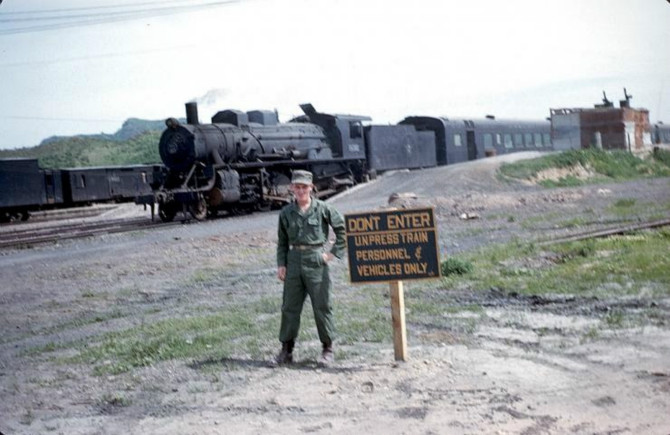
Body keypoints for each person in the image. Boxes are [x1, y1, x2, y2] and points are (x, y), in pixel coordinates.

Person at [273, 169, 346, 367]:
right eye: (297, 187)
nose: (301, 190)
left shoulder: (323, 208)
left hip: (316, 260)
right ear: (292, 188)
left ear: (311, 188)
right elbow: (282, 242)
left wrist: (331, 254)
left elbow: (343, 229)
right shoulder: (286, 213)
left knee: (322, 305)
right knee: (290, 307)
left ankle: (327, 349)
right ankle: (286, 351)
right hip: (294, 260)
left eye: (304, 187)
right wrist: (281, 264)